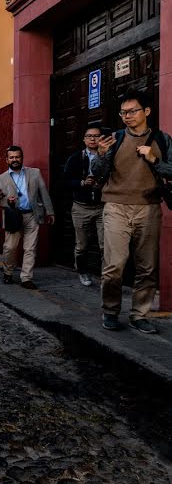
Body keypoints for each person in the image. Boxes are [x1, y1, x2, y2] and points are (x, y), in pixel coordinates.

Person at [92, 90, 171, 334]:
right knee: (114, 265)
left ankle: (140, 314)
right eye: (123, 112)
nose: (127, 116)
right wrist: (101, 155)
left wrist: (154, 159)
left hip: (148, 208)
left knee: (146, 266)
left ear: (146, 111)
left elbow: (171, 170)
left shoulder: (162, 139)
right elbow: (96, 172)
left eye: (132, 111)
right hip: (116, 207)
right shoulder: (114, 138)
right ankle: (111, 311)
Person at [0, 146, 55, 289]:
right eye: (11, 157)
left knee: (30, 248)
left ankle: (26, 278)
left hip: (32, 215)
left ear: (22, 158)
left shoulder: (35, 173)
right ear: (7, 159)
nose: (15, 160)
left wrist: (50, 212)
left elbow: (44, 193)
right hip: (13, 216)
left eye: (17, 157)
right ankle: (8, 272)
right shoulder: (0, 178)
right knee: (10, 247)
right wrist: (7, 201)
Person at [62, 125, 105, 286]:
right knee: (82, 244)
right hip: (81, 207)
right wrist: (81, 183)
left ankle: (105, 276)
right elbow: (65, 182)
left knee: (105, 244)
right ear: (84, 139)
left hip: (102, 207)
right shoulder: (75, 158)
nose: (93, 139)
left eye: (97, 136)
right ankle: (83, 272)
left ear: (102, 138)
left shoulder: (108, 156)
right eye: (89, 136)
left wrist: (102, 186)